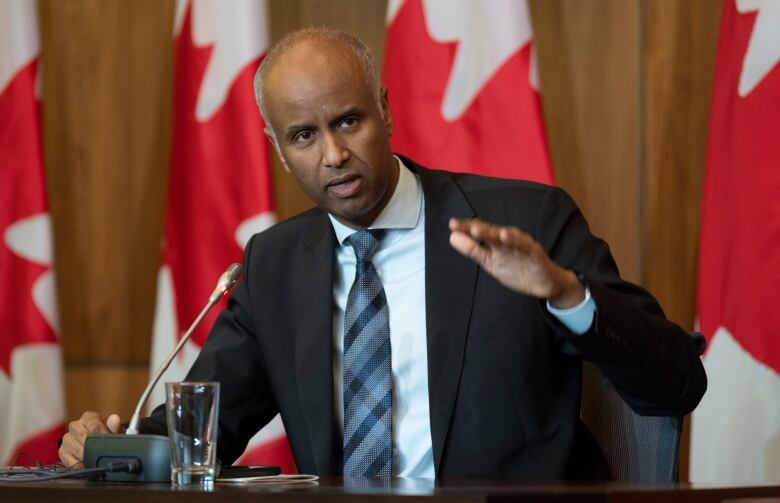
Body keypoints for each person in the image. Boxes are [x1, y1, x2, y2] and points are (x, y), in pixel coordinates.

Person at [59, 28, 706, 480]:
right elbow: (200, 434)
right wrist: (110, 447)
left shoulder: (526, 222)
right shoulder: (274, 265)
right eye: (304, 136)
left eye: (348, 121)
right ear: (280, 149)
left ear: (386, 111)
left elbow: (678, 379)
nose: (333, 155)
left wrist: (567, 294)